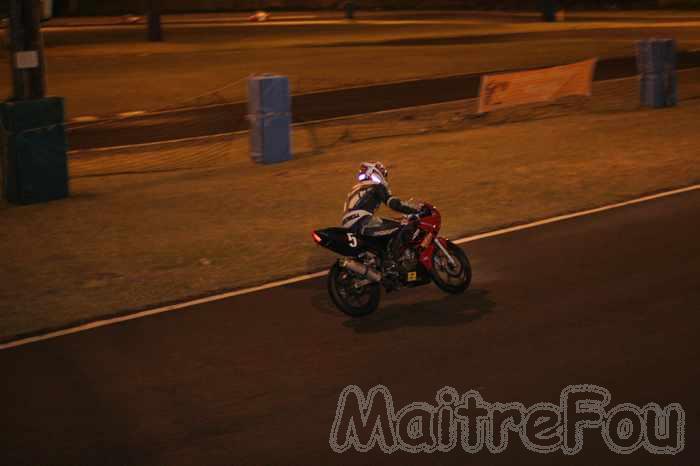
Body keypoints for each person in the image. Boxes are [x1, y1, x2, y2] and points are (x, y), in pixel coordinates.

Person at [341, 162, 421, 252]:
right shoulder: (375, 185)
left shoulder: (357, 189)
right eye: (383, 172)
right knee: (402, 227)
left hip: (348, 224)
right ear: (374, 172)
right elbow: (393, 204)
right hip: (362, 221)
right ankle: (393, 258)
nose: (384, 175)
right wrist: (416, 210)